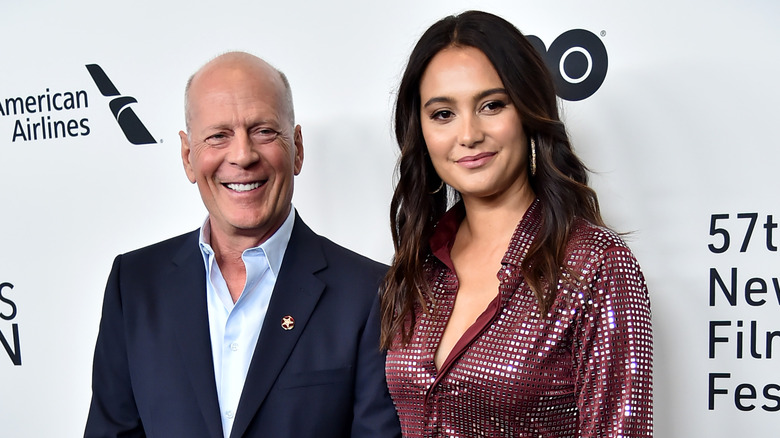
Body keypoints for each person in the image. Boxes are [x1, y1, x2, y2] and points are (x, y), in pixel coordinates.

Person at [85, 52, 401, 438]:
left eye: (264, 131)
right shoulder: (133, 284)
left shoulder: (373, 293)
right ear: (188, 156)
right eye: (218, 136)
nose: (242, 156)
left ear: (297, 148)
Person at [381, 11, 653, 437]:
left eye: (491, 105)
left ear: (527, 112)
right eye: (442, 113)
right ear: (422, 130)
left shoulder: (595, 265)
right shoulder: (419, 267)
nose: (468, 134)